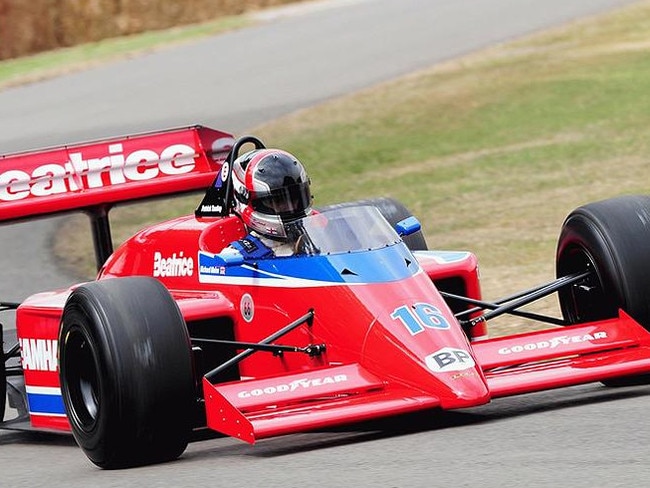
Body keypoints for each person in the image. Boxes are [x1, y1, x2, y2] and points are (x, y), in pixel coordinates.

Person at [227, 148, 314, 258]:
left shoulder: (318, 236)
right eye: (278, 201)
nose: (290, 206)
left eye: (294, 198)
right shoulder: (238, 257)